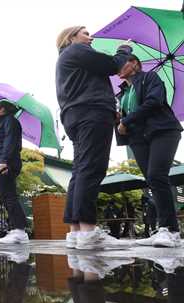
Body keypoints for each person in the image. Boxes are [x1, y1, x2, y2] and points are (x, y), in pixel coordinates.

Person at [55, 26, 132, 250]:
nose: (91, 37)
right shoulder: (76, 51)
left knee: (80, 170)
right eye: (85, 33)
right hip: (91, 113)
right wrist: (124, 49)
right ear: (71, 38)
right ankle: (88, 230)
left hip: (77, 114)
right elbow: (112, 65)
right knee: (92, 168)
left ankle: (76, 231)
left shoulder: (68, 59)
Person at [117, 54, 183, 248]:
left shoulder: (150, 78)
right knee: (152, 180)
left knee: (156, 175)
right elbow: (124, 118)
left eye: (122, 62)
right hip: (139, 139)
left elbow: (154, 102)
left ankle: (170, 230)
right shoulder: (122, 93)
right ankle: (164, 229)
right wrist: (119, 117)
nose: (118, 66)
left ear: (134, 64)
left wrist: (126, 121)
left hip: (164, 131)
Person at [0, 100, 28, 244]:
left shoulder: (10, 121)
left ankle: (20, 231)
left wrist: (4, 161)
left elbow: (10, 142)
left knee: (9, 195)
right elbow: (1, 144)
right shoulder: (5, 122)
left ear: (2, 110)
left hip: (7, 163)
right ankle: (17, 229)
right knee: (7, 195)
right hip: (4, 161)